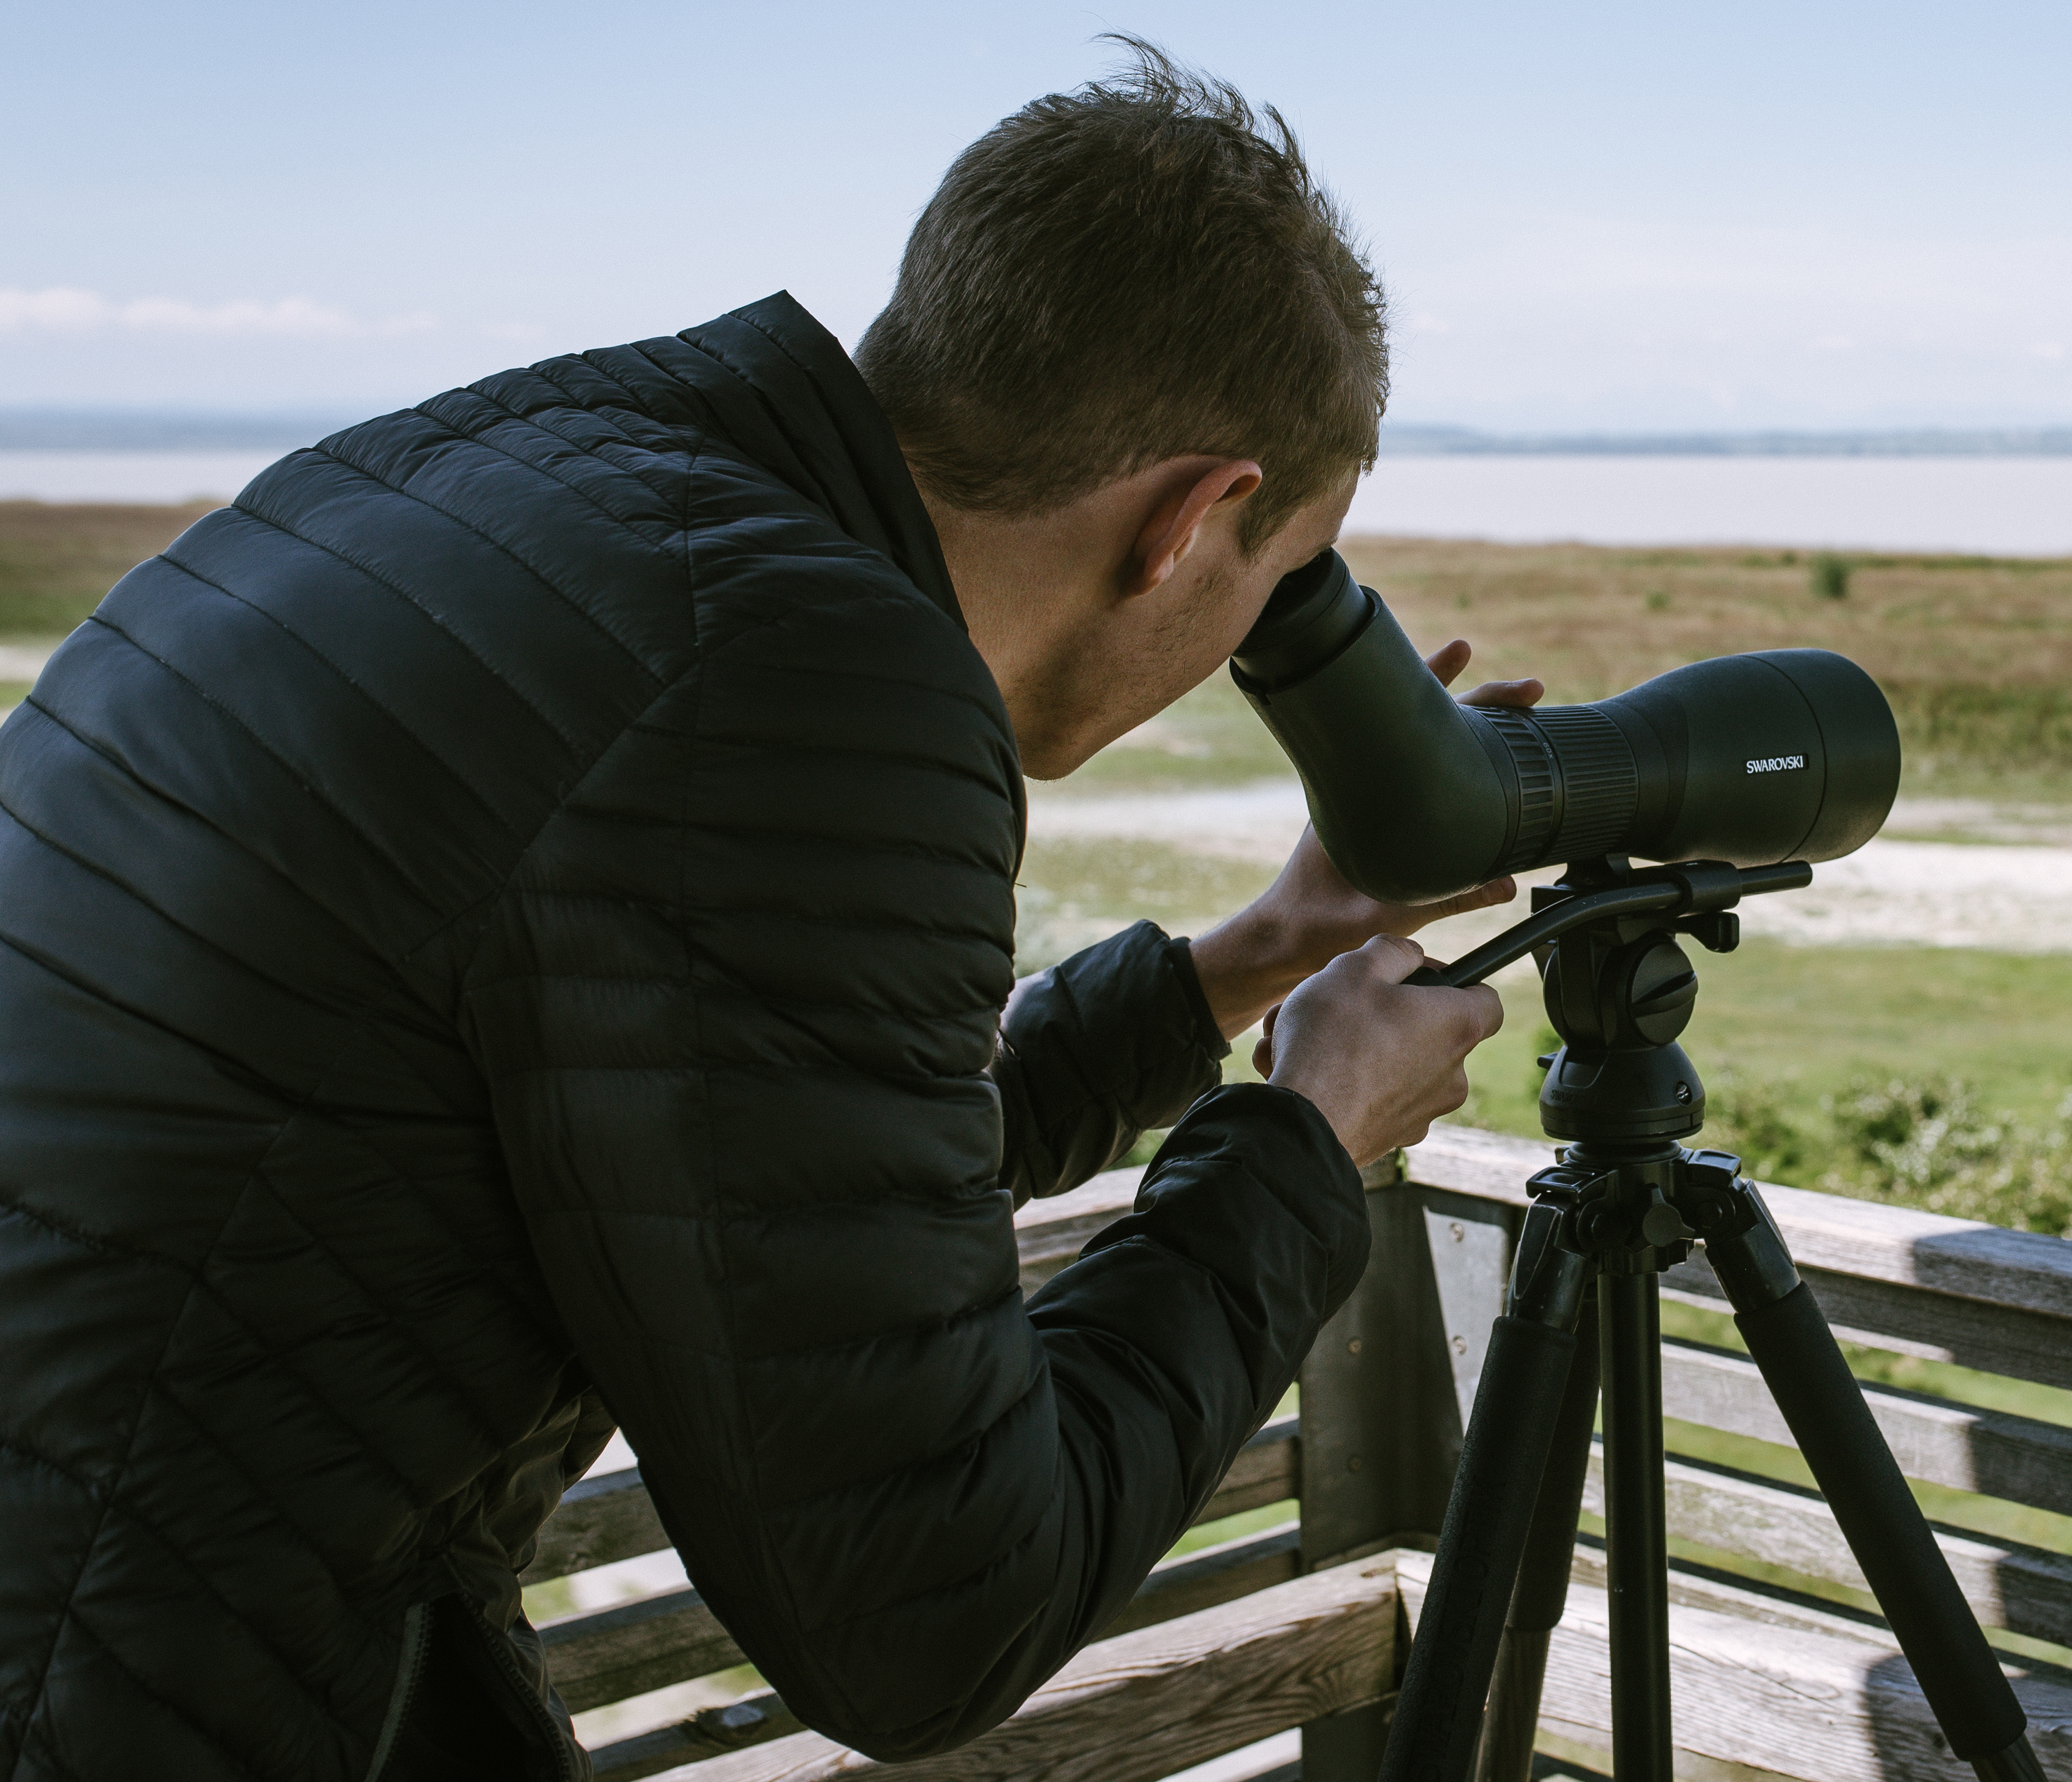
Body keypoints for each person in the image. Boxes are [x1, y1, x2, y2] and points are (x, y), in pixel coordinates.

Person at [0, 44, 1515, 1782]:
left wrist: (1257, 954)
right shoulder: (816, 678)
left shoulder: (503, 465)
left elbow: (759, 1158)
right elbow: (931, 1608)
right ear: (1197, 517)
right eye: (1284, 579)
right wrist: (1311, 1142)